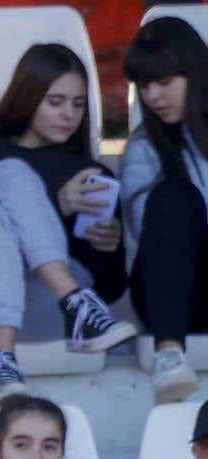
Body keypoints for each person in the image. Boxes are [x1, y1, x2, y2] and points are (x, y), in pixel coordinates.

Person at [0, 43, 133, 405]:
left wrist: (108, 250)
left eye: (78, 105)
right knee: (1, 192)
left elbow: (110, 290)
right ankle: (74, 304)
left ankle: (5, 365)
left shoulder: (90, 175)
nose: (69, 115)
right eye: (55, 102)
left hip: (43, 314)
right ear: (26, 97)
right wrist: (56, 204)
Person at [120, 17, 208, 404]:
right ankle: (169, 355)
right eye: (145, 86)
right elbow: (151, 232)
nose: (154, 95)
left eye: (165, 82)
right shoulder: (144, 149)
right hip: (179, 293)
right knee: (174, 197)